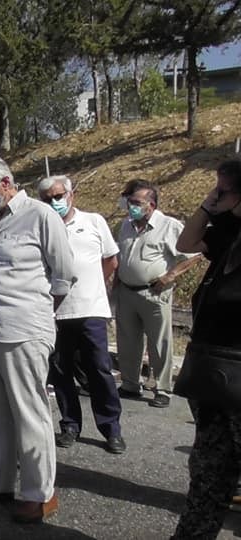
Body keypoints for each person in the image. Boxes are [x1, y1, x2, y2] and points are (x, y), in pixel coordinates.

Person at [0, 152, 74, 524]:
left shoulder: (39, 215)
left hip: (22, 330)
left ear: (5, 183)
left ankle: (40, 494)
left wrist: (35, 310)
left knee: (29, 412)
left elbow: (64, 273)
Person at [171, 159, 241, 538]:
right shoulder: (227, 229)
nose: (215, 196)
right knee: (208, 473)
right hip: (214, 372)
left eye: (222, 190)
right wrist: (208, 205)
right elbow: (185, 243)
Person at [37, 175, 126, 454]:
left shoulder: (94, 221)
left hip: (91, 310)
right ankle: (70, 425)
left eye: (58, 196)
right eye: (48, 198)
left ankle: (111, 428)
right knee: (61, 371)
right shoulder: (42, 227)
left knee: (99, 369)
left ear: (71, 194)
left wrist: (94, 286)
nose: (55, 202)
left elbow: (111, 259)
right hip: (56, 312)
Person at [115, 179, 201, 408]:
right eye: (129, 201)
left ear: (150, 204)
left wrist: (169, 276)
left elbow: (193, 255)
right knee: (128, 340)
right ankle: (131, 383)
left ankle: (163, 388)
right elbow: (120, 257)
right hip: (127, 291)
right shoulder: (126, 225)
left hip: (154, 293)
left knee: (160, 342)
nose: (130, 206)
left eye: (136, 202)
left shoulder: (168, 226)